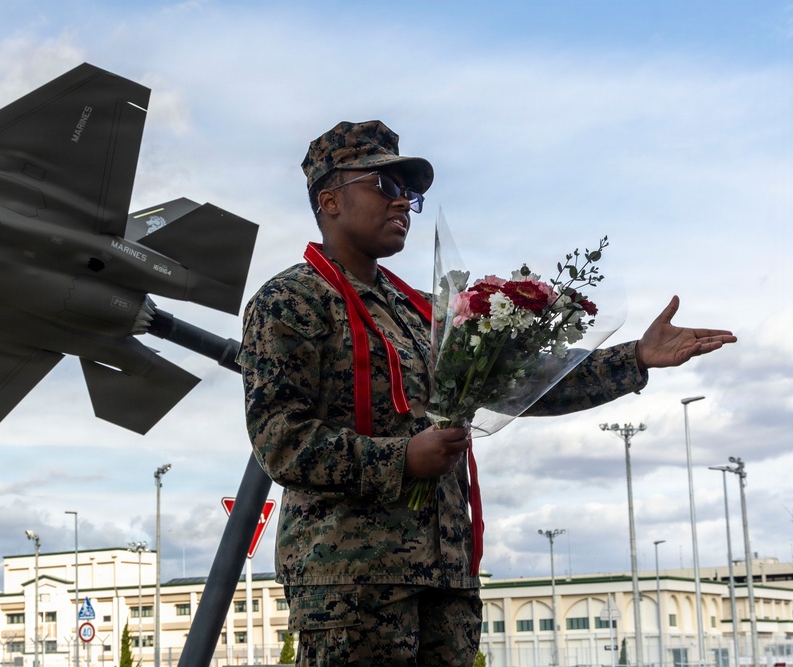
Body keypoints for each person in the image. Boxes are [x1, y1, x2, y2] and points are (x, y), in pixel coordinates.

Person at [237, 120, 736, 666]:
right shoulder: (290, 301)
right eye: (386, 185)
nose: (403, 202)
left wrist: (635, 357)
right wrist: (403, 459)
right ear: (329, 200)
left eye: (410, 193)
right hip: (353, 581)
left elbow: (522, 384)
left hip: (447, 575)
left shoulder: (420, 311)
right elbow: (281, 441)